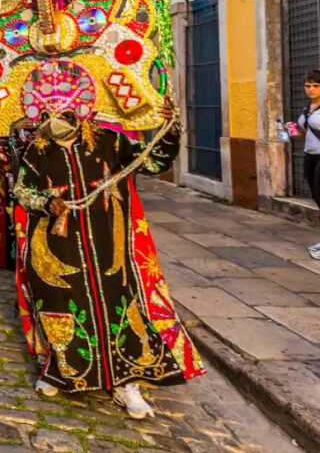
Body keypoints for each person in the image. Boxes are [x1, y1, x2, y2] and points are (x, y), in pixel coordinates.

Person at [13, 98, 204, 419]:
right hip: (58, 249)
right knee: (61, 307)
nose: (52, 118)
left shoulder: (111, 142)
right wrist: (46, 201)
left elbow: (154, 162)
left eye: (59, 111)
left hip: (109, 247)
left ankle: (126, 383)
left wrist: (170, 130)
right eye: (45, 112)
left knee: (118, 305)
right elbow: (22, 190)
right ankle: (60, 369)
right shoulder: (37, 151)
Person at [299, 70, 320, 259]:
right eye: (308, 85)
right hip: (310, 157)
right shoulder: (308, 109)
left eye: (316, 86)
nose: (311, 89)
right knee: (317, 198)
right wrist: (291, 132)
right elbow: (306, 134)